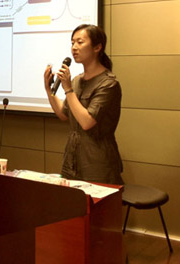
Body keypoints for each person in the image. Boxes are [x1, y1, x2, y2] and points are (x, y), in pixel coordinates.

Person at [43, 24, 123, 185]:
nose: (74, 47)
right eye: (72, 43)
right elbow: (63, 114)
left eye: (80, 42)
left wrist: (68, 89)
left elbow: (87, 122)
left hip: (97, 165)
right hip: (72, 162)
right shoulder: (77, 80)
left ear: (97, 47)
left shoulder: (108, 84)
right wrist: (48, 88)